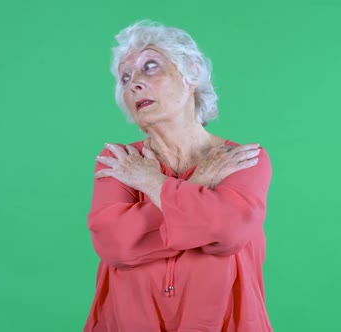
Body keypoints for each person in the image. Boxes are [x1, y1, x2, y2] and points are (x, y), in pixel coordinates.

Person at [84, 20, 273, 331]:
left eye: (150, 67)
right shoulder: (119, 161)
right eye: (125, 77)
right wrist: (198, 184)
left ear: (192, 73)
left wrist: (153, 184)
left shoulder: (243, 160)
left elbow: (228, 232)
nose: (134, 84)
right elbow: (115, 244)